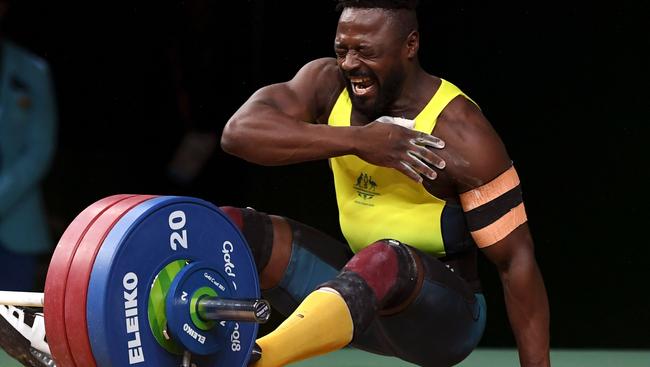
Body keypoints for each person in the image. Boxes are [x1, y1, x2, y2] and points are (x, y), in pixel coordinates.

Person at [220, 1, 550, 366]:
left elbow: (516, 262)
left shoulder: (461, 132)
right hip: (352, 297)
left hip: (442, 321)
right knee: (228, 229)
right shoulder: (327, 85)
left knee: (385, 256)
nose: (348, 63)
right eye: (341, 49)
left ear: (410, 45)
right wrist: (361, 141)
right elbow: (238, 134)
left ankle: (259, 358)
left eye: (365, 51)